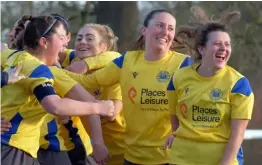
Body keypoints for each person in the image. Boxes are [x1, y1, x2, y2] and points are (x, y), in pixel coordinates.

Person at [63, 9, 193, 164]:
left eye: (171, 28)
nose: (165, 32)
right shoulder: (127, 61)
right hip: (132, 157)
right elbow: (88, 81)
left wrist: (180, 132)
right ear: (144, 30)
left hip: (170, 157)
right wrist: (53, 72)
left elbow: (195, 104)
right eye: (160, 26)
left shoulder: (184, 64)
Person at [1, 15, 114, 165]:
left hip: (20, 147)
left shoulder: (14, 56)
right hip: (15, 147)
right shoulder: (39, 69)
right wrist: (99, 107)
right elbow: (54, 105)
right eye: (61, 37)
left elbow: (115, 56)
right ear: (44, 42)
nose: (66, 42)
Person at [164, 21, 254, 165]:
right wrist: (177, 135)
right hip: (181, 159)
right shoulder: (178, 78)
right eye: (217, 43)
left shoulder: (239, 84)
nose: (224, 48)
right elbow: (174, 117)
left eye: (227, 44)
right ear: (202, 49)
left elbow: (238, 135)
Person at [63, 23, 125, 165]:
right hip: (92, 150)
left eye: (90, 39)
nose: (82, 42)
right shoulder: (74, 62)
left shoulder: (112, 70)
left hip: (119, 148)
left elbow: (112, 113)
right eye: (79, 39)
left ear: (104, 47)